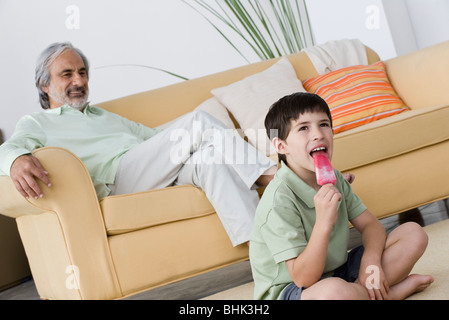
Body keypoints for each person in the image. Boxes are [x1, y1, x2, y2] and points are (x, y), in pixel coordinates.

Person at [0, 42, 277, 247]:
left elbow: (156, 140)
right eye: (67, 74)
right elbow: (7, 148)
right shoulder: (37, 122)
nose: (79, 81)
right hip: (117, 182)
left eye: (83, 72)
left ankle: (261, 251)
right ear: (44, 84)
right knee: (198, 123)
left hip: (148, 172)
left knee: (209, 160)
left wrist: (208, 143)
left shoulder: (104, 116)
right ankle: (270, 176)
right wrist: (16, 159)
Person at [249, 92, 434, 300]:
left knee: (413, 233)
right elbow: (303, 278)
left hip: (339, 272)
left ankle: (360, 293)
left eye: (324, 124)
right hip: (294, 290)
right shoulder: (278, 202)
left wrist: (370, 262)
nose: (318, 134)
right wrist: (323, 222)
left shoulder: (334, 177)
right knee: (334, 293)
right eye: (303, 128)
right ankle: (389, 295)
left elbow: (371, 226)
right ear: (281, 146)